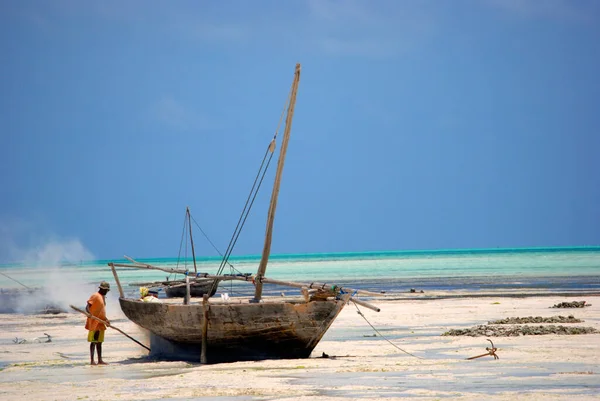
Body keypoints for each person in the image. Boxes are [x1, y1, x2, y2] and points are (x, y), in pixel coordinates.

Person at [86, 281, 110, 365]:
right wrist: (89, 314)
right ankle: (92, 360)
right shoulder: (95, 296)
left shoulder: (102, 297)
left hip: (101, 323)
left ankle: (100, 360)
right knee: (94, 341)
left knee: (99, 342)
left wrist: (106, 320)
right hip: (94, 322)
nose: (107, 292)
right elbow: (88, 306)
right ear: (102, 289)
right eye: (106, 290)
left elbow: (101, 311)